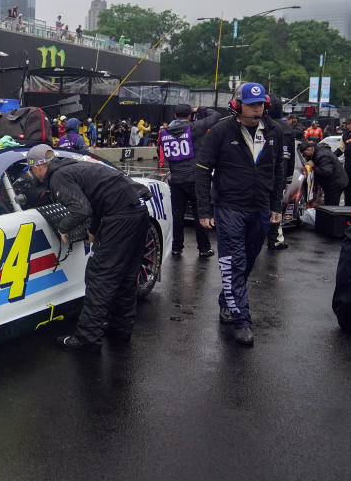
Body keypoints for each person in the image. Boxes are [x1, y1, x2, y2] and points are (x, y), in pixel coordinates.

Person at [25, 144, 151, 352]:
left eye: (31, 169)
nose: (32, 174)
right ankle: (121, 329)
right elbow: (96, 199)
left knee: (99, 277)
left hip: (119, 218)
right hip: (137, 212)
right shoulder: (72, 166)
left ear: (38, 167)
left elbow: (81, 209)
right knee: (127, 276)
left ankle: (87, 338)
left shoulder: (58, 177)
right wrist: (93, 230)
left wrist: (64, 228)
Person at [195, 82, 284, 346]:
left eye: (261, 105)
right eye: (252, 105)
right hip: (229, 207)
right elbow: (201, 170)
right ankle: (241, 319)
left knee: (248, 260)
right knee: (234, 262)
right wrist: (204, 209)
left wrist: (276, 206)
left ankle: (227, 299)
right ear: (238, 105)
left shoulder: (274, 132)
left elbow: (278, 170)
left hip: (260, 207)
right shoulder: (221, 131)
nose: (257, 110)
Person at [160, 103, 215, 258]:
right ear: (190, 116)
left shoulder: (165, 132)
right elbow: (215, 116)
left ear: (175, 116)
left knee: (177, 215)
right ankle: (204, 248)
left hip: (176, 178)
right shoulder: (194, 128)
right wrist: (201, 109)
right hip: (194, 179)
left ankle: (176, 247)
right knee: (200, 214)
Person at [266, 97, 295, 250]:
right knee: (276, 208)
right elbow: (291, 158)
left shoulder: (261, 125)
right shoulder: (288, 130)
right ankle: (275, 239)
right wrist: (288, 178)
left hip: (262, 176)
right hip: (280, 177)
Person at [299, 139, 348, 206]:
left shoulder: (322, 156)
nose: (304, 156)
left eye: (304, 153)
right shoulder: (316, 152)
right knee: (328, 204)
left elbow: (326, 172)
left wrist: (313, 166)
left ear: (309, 149)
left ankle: (332, 216)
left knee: (331, 206)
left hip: (335, 183)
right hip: (333, 182)